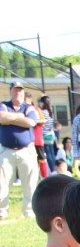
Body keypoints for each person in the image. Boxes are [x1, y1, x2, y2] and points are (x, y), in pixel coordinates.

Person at [0, 81, 40, 220]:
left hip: (26, 150)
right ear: (10, 91)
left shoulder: (28, 107)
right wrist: (20, 118)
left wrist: (10, 119)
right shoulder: (4, 105)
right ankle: (2, 212)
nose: (18, 92)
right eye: (15, 90)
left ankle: (29, 212)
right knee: (2, 183)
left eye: (20, 90)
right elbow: (1, 117)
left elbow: (31, 122)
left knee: (29, 184)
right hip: (6, 151)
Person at [38, 97, 58, 172]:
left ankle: (53, 170)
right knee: (52, 154)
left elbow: (42, 124)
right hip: (51, 135)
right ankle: (55, 169)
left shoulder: (43, 112)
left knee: (48, 154)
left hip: (45, 135)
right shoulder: (50, 111)